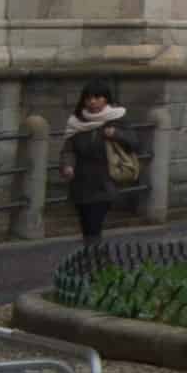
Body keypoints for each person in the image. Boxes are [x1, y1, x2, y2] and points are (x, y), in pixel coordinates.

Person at [59, 85, 129, 255]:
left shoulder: (116, 118)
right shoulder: (76, 122)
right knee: (86, 224)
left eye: (97, 97)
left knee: (94, 223)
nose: (93, 101)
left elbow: (134, 143)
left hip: (104, 181)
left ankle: (96, 261)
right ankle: (95, 260)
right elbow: (68, 149)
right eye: (88, 98)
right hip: (81, 182)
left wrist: (116, 134)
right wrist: (68, 165)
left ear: (106, 99)